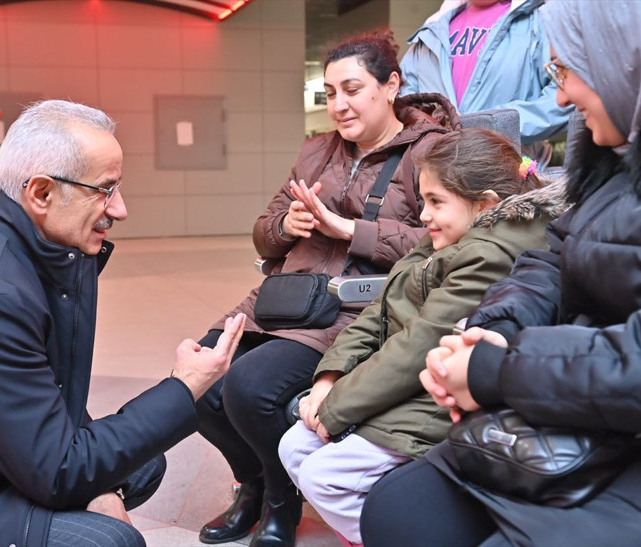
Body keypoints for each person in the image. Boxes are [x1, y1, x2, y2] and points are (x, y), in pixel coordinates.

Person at [0, 99, 247, 547]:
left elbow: (52, 394)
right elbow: (59, 472)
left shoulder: (22, 246)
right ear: (41, 193)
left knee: (142, 465)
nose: (119, 209)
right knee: (108, 540)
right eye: (105, 190)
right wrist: (185, 388)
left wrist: (99, 485)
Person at [361, 1, 641, 546]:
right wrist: (495, 328)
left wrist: (498, 370)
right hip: (585, 398)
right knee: (397, 507)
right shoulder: (611, 158)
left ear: (627, 59)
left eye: (567, 71)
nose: (559, 98)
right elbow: (550, 261)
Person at [196, 31, 460, 547]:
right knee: (197, 382)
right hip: (284, 295)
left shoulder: (430, 152)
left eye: (353, 89)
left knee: (249, 390)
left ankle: (279, 500)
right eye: (330, 93)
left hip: (353, 307)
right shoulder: (318, 150)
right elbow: (264, 226)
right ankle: (252, 484)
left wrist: (349, 230)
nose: (338, 105)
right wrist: (286, 226)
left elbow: (442, 239)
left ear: (391, 86)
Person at [278, 129, 565, 546]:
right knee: (294, 447)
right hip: (395, 386)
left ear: (484, 204)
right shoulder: (448, 237)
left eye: (435, 202)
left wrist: (336, 408)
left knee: (325, 476)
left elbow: (421, 343)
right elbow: (377, 314)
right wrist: (330, 379)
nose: (424, 215)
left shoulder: (489, 256)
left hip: (431, 398)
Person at [400, 0, 572, 167]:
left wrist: (493, 125)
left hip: (508, 178)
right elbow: (403, 98)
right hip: (435, 175)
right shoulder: (432, 29)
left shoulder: (540, 21)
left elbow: (566, 94)